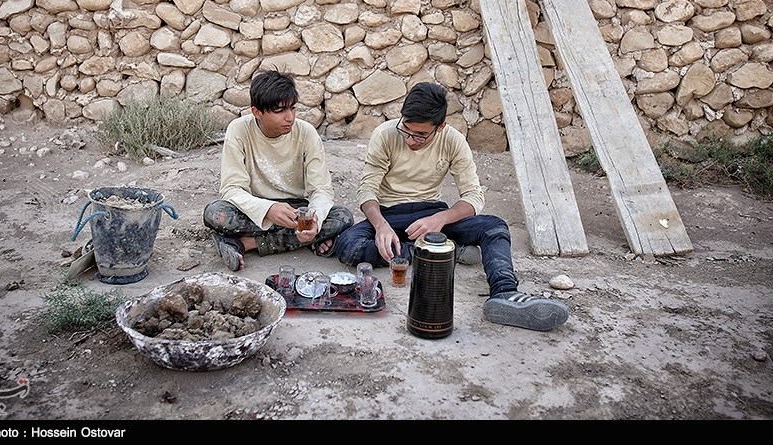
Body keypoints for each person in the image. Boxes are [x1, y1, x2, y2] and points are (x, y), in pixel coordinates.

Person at [333, 82, 569, 332]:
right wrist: (380, 226)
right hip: (390, 214)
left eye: (421, 135)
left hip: (433, 214)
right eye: (406, 130)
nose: (411, 140)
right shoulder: (385, 134)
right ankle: (446, 253)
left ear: (440, 126)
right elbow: (367, 189)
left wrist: (441, 219)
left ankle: (505, 293)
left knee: (494, 227)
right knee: (349, 246)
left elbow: (473, 196)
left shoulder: (454, 141)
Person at [203, 70, 354, 271]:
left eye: (292, 108)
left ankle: (245, 243)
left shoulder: (306, 132)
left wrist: (313, 221)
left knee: (342, 217)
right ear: (257, 112)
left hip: (296, 209)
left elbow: (321, 190)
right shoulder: (239, 130)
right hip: (255, 208)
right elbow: (231, 189)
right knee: (216, 214)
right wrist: (268, 210)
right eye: (279, 111)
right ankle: (308, 241)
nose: (289, 117)